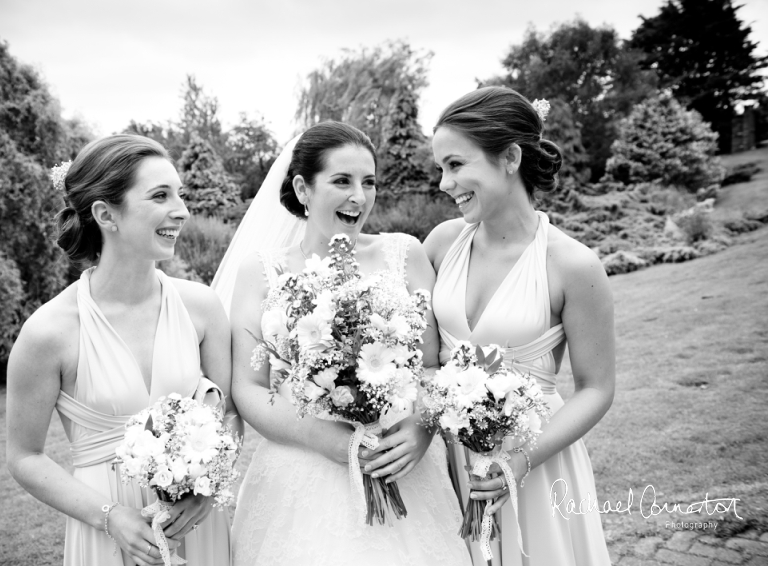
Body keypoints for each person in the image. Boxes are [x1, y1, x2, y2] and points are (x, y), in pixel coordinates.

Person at [223, 121, 471, 566]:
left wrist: (422, 428)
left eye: (369, 182)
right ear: (303, 187)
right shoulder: (261, 271)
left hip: (400, 459)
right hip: (300, 467)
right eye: (342, 181)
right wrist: (332, 443)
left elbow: (435, 366)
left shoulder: (405, 253)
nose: (360, 196)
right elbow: (248, 387)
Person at [6, 134, 238, 566]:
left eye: (180, 195)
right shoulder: (49, 332)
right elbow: (24, 456)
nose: (182, 211)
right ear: (105, 214)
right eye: (160, 196)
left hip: (199, 527)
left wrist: (207, 490)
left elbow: (227, 418)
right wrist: (110, 518)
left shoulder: (201, 308)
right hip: (108, 536)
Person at [424, 87, 614, 566]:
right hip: (451, 460)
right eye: (441, 168)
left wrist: (521, 462)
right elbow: (423, 360)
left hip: (536, 461)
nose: (445, 183)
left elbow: (596, 388)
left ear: (509, 157)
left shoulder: (572, 264)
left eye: (455, 164)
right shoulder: (443, 244)